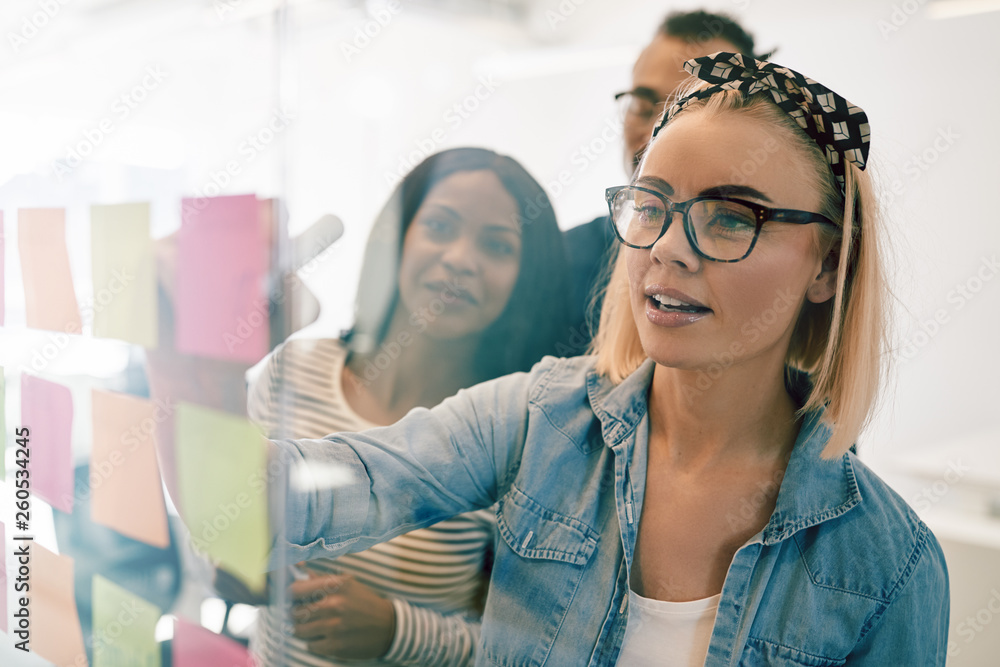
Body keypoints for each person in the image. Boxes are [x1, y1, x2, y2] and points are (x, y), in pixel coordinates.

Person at [259, 53, 950, 665]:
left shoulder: (890, 566)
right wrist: (194, 342)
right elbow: (277, 499)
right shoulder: (539, 421)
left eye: (733, 217)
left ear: (827, 264)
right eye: (652, 206)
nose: (668, 250)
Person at [248, 147, 573, 666]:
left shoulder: (519, 436)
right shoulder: (296, 368)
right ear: (398, 237)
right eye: (440, 226)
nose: (461, 258)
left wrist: (396, 631)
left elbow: (526, 646)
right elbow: (213, 541)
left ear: (525, 280)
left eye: (496, 245)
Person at [564, 10, 771, 349]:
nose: (655, 137)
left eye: (689, 111)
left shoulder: (764, 285)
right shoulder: (563, 260)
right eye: (643, 107)